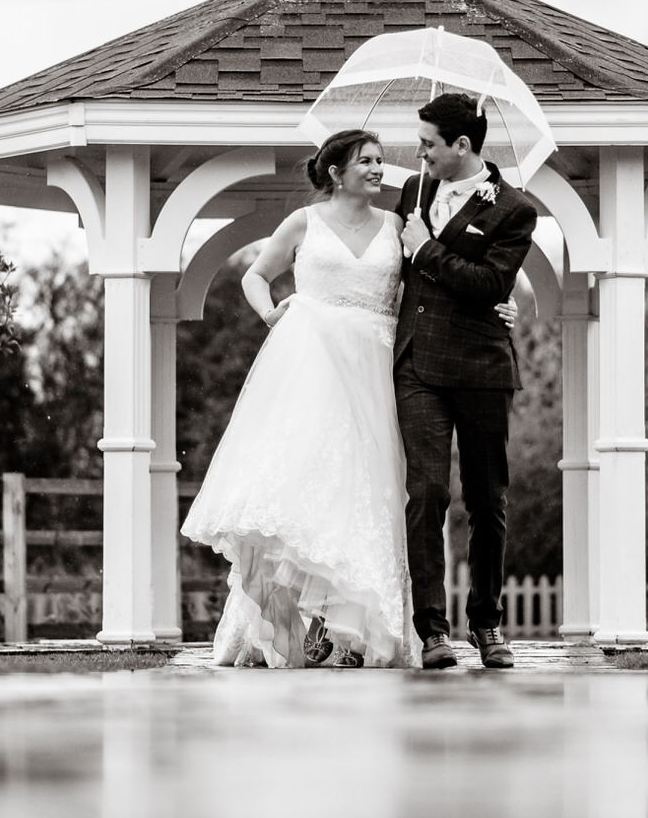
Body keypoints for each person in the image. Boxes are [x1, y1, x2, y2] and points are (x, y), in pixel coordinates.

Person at [182, 127, 522, 668]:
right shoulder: (304, 222)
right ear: (336, 172)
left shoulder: (400, 224)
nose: (377, 168)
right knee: (308, 486)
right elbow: (256, 276)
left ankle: (353, 632)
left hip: (379, 368)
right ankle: (303, 619)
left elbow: (441, 283)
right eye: (366, 161)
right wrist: (271, 312)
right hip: (312, 366)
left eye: (381, 160)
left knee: (373, 491)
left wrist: (501, 306)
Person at [394, 92, 539, 671]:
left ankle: (487, 625)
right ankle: (432, 631)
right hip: (417, 366)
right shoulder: (413, 190)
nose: (419, 152)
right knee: (426, 493)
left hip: (481, 367)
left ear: (462, 145)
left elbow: (489, 283)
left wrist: (426, 249)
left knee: (487, 500)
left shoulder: (513, 209)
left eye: (429, 144)